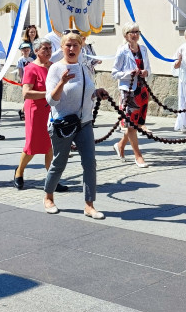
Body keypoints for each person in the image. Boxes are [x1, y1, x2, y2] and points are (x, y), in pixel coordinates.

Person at [43, 32, 108, 219]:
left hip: (84, 122)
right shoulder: (55, 69)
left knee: (90, 163)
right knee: (59, 162)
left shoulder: (85, 67)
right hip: (62, 124)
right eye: (68, 45)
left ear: (81, 47)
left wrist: (97, 92)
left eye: (75, 46)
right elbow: (51, 100)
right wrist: (62, 83)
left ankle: (89, 205)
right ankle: (48, 197)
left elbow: (86, 91)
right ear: (62, 47)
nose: (71, 49)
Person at [14, 38, 68, 191]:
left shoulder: (53, 67)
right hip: (35, 111)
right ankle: (19, 171)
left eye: (50, 48)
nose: (48, 51)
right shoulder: (31, 68)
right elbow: (26, 93)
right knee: (31, 146)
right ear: (36, 51)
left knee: (50, 146)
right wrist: (49, 94)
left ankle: (52, 180)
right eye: (44, 48)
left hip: (51, 111)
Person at [112, 22, 151, 168]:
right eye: (131, 32)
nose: (135, 35)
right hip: (128, 91)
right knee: (131, 124)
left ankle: (120, 145)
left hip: (142, 90)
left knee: (136, 124)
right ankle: (138, 156)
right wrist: (129, 74)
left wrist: (145, 72)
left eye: (137, 32)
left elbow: (149, 69)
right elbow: (114, 73)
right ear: (126, 35)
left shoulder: (144, 50)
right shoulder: (122, 51)